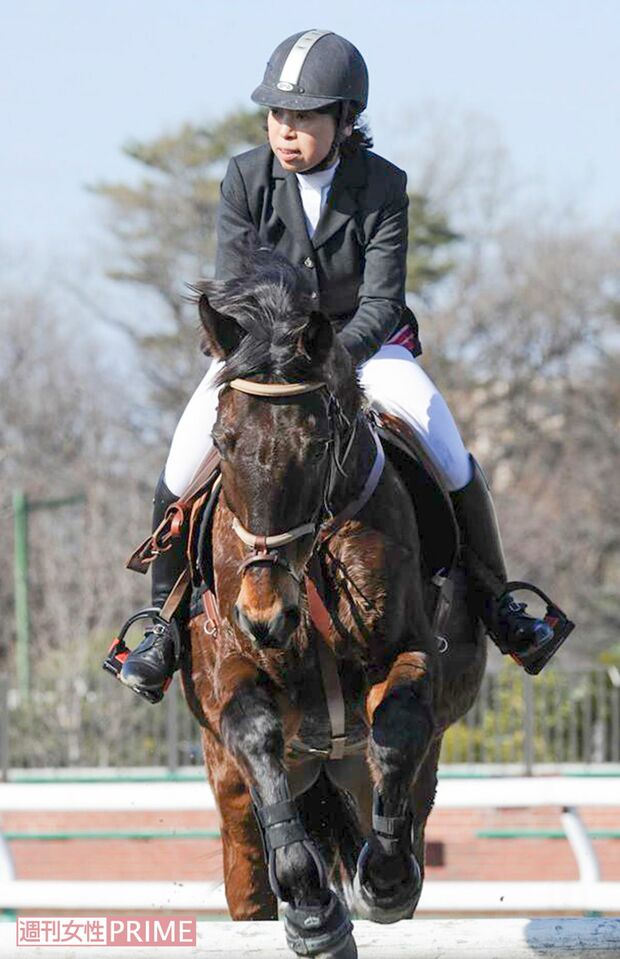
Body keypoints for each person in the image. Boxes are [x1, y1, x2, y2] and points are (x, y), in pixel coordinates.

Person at [118, 29, 565, 698]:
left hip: (367, 348)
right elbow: (233, 288)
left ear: (345, 120)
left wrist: (334, 361)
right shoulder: (245, 177)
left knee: (446, 447)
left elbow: (383, 300)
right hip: (264, 356)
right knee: (184, 457)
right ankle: (161, 621)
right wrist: (270, 359)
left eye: (304, 118)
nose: (287, 132)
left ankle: (501, 602)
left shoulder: (383, 186)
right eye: (278, 116)